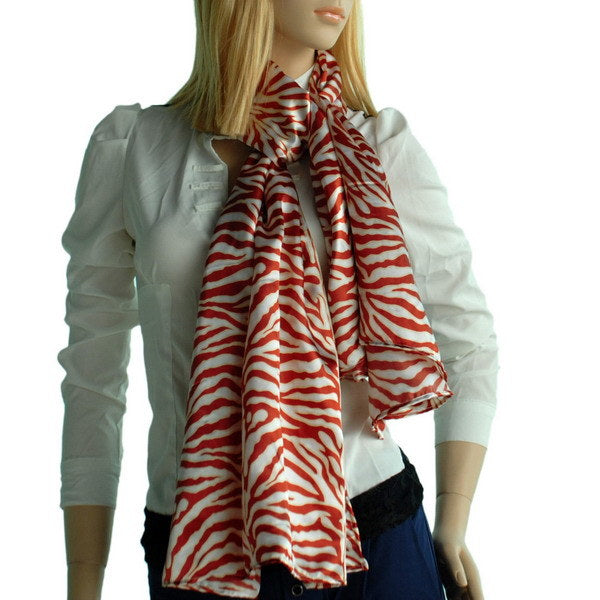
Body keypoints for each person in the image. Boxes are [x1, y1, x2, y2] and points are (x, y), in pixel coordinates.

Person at [57, 1, 499, 599]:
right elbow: (93, 374)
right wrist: (84, 575)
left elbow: (467, 339)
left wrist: (453, 518)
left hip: (376, 532)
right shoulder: (133, 147)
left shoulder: (376, 146)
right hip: (199, 547)